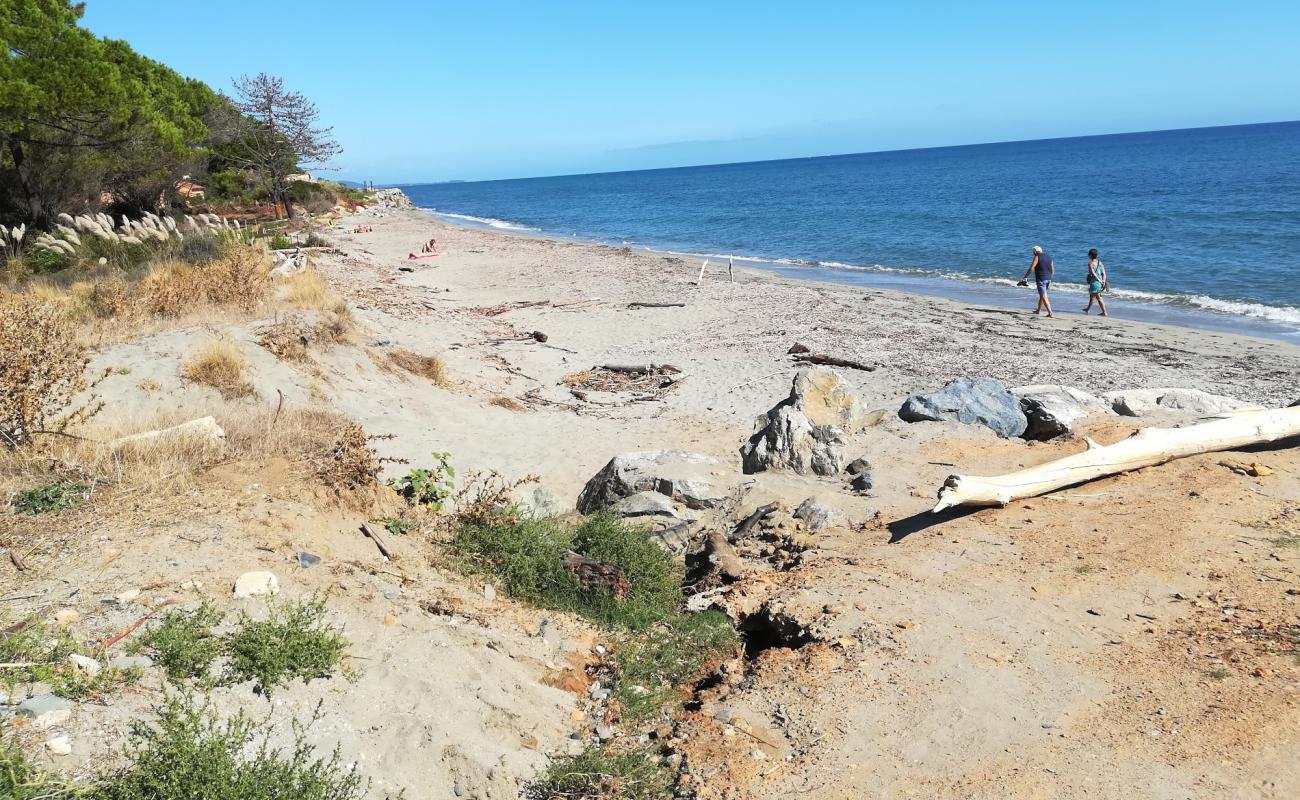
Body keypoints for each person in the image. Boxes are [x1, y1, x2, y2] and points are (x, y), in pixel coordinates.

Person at [1018, 244, 1055, 317]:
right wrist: (1050, 277)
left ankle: (1050, 313)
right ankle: (1038, 310)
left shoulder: (1037, 256)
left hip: (1041, 279)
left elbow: (1032, 268)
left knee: (1044, 296)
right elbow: (1052, 269)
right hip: (1048, 279)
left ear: (1035, 251)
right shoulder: (1049, 257)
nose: (1033, 254)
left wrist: (1025, 277)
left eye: (1033, 252)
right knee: (1042, 295)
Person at [1082, 248, 1108, 316]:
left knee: (1098, 298)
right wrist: (1103, 281)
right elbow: (1104, 273)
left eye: (1089, 254)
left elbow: (1093, 273)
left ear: (1091, 255)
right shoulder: (1100, 263)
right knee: (1092, 296)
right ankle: (1087, 309)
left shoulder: (1090, 264)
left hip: (1094, 283)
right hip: (1100, 283)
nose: (1088, 255)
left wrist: (1099, 280)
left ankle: (1104, 312)